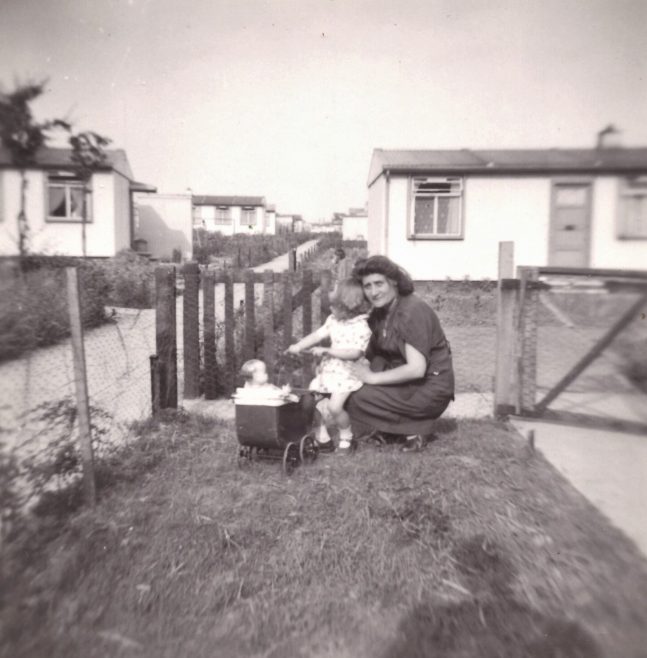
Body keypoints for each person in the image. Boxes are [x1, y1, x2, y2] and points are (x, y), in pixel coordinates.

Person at [346, 255, 455, 453]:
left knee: (358, 394)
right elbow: (368, 354)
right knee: (350, 388)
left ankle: (415, 431)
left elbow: (416, 369)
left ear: (394, 282)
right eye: (367, 286)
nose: (373, 292)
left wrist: (372, 378)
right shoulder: (380, 313)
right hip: (408, 384)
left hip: (430, 388)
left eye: (379, 284)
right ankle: (396, 431)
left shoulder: (412, 311)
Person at [286, 278, 371, 453]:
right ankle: (322, 436)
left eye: (334, 305)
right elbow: (316, 336)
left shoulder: (362, 326)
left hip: (348, 373)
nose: (330, 309)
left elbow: (355, 353)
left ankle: (347, 437)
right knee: (309, 401)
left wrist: (327, 351)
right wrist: (299, 346)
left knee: (334, 407)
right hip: (329, 371)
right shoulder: (333, 320)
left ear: (349, 306)